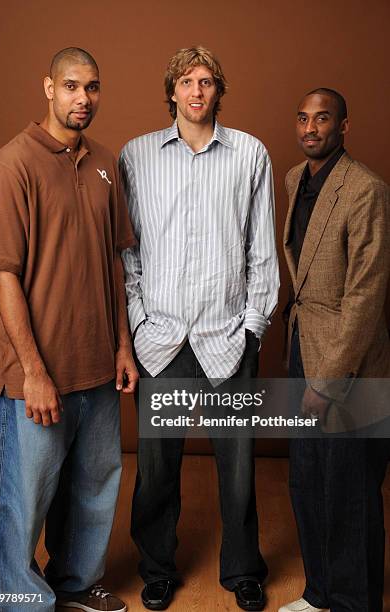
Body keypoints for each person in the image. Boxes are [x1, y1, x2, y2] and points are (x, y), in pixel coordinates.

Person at [119, 46, 279, 611]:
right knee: (156, 469)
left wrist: (252, 327)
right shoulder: (136, 156)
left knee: (237, 470)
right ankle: (157, 568)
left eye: (207, 81)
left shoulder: (250, 154)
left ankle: (242, 572)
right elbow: (128, 251)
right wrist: (138, 323)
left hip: (227, 339)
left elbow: (262, 249)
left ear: (218, 91)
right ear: (171, 90)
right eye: (186, 81)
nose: (196, 91)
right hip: (160, 342)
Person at [0, 47, 139, 612]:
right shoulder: (12, 165)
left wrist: (122, 346)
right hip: (36, 374)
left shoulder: (105, 163)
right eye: (71, 86)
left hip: (97, 366)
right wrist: (33, 370)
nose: (83, 98)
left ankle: (74, 584)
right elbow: (3, 275)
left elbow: (115, 262)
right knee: (23, 498)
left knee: (94, 489)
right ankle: (22, 601)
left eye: (93, 87)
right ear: (47, 88)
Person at [279, 88, 390, 612]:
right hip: (301, 347)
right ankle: (320, 593)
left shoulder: (365, 189)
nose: (310, 128)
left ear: (343, 126)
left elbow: (366, 295)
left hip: (351, 364)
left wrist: (327, 381)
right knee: (307, 480)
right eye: (303, 118)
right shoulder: (295, 181)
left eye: (322, 119)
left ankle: (352, 602)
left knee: (349, 490)